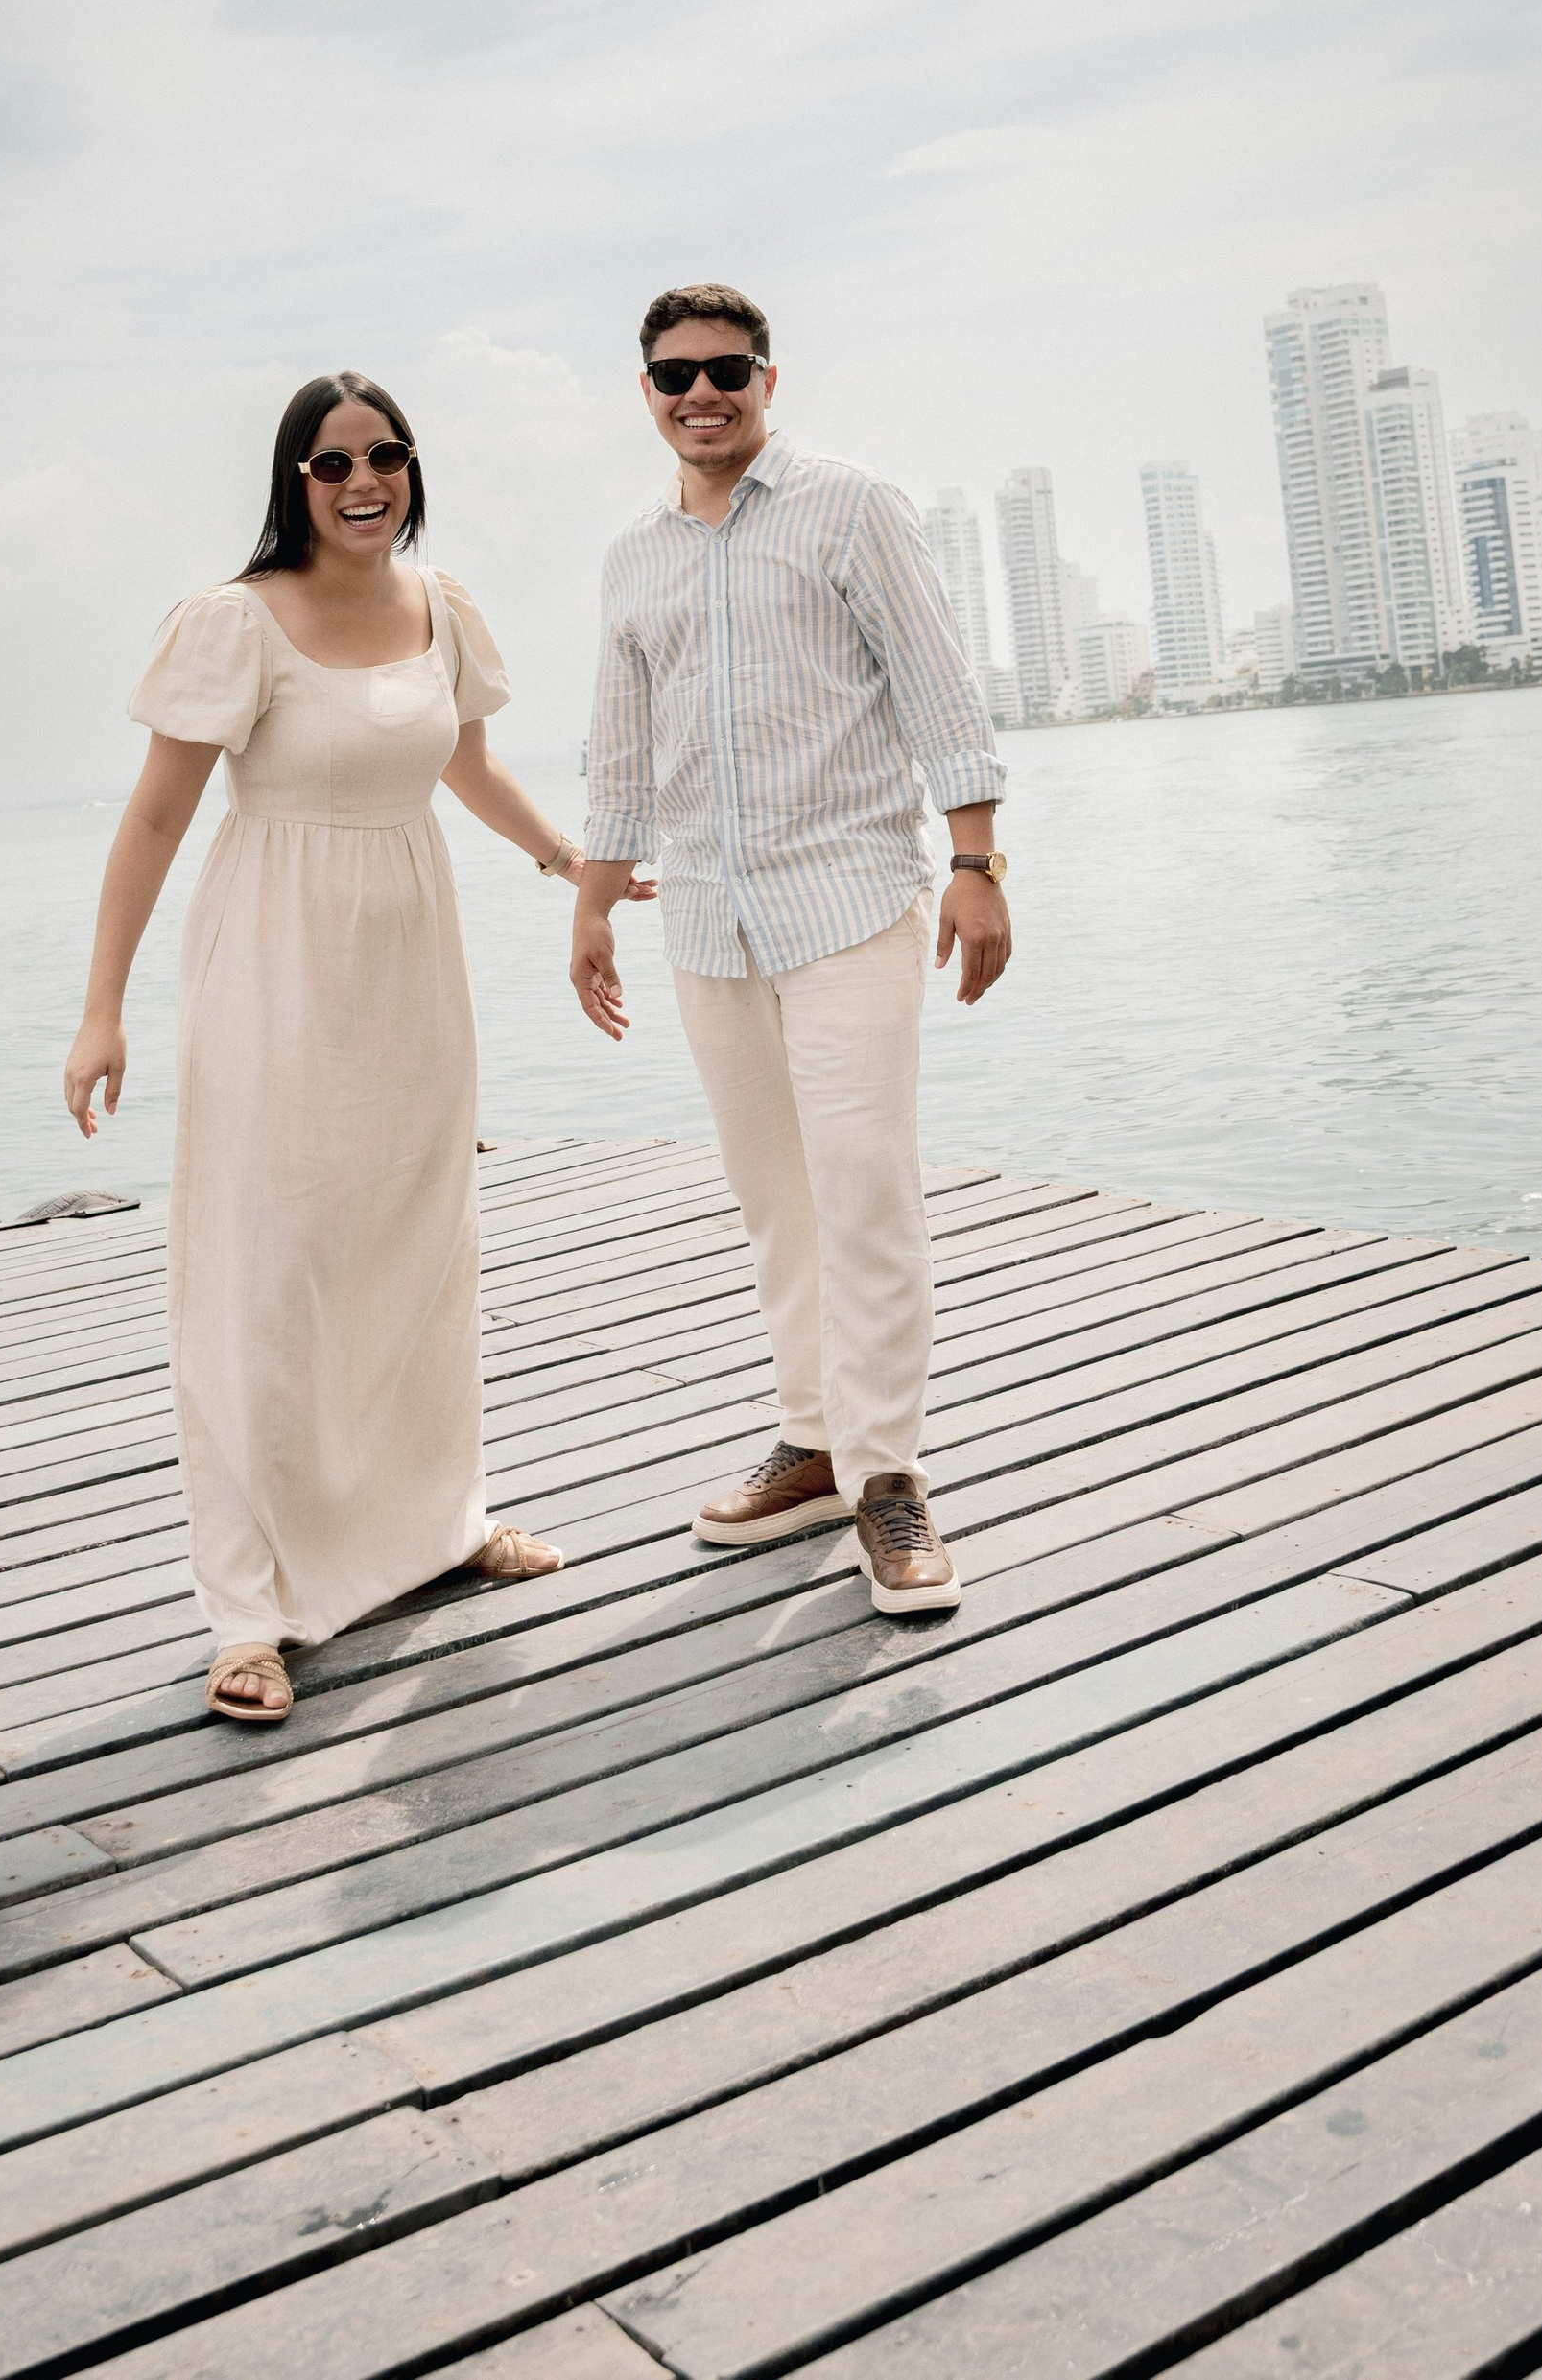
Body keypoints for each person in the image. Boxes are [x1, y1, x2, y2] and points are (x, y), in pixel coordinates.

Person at [64, 369, 626, 1723]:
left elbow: (466, 766)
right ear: (293, 481)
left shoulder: (445, 612)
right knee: (272, 1270)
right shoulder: (235, 624)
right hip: (275, 963)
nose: (364, 481)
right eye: (333, 464)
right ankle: (250, 1610)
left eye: (387, 456)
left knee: (416, 1245)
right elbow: (151, 822)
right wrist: (102, 1006)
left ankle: (436, 1525)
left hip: (410, 960)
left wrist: (571, 861)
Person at [571, 287, 1011, 1614]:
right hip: (708, 917)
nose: (699, 394)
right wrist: (591, 902)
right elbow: (621, 745)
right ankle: (817, 1439)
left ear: (770, 375)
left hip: (850, 898)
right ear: (644, 390)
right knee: (776, 1196)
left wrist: (980, 865)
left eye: (724, 369)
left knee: (863, 1182)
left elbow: (942, 688)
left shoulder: (852, 506)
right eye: (673, 375)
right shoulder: (631, 555)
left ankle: (889, 1476)